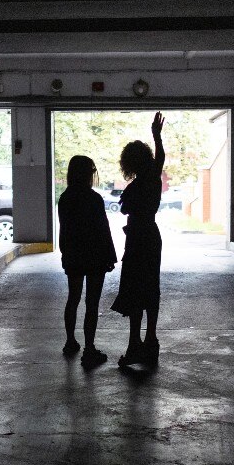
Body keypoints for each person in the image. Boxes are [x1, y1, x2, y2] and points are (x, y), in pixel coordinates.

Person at [110, 111, 165, 368]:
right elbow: (160, 157)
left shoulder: (138, 184)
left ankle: (134, 345)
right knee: (150, 288)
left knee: (134, 290)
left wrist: (157, 136)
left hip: (137, 239)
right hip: (151, 236)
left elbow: (124, 209)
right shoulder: (153, 178)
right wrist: (157, 137)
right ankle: (151, 342)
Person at [57, 155, 117, 367]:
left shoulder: (65, 198)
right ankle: (89, 348)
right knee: (92, 303)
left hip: (74, 256)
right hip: (95, 257)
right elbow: (103, 230)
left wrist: (65, 254)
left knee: (73, 298)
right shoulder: (94, 199)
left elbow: (64, 231)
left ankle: (70, 341)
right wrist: (110, 256)